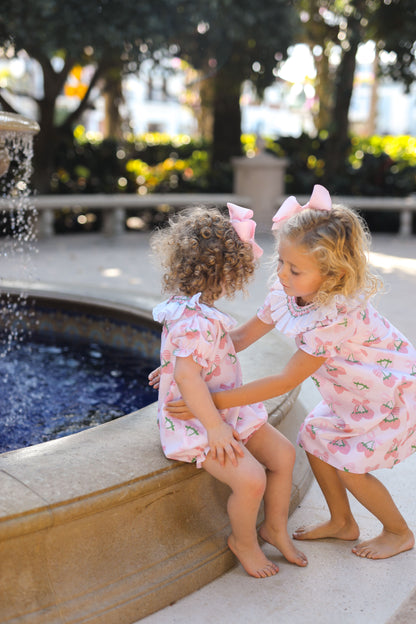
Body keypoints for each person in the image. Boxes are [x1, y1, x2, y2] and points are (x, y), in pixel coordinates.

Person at [161, 185, 416, 561]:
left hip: (385, 395)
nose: (281, 273)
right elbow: (242, 336)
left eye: (294, 269)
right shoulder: (287, 290)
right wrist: (185, 360)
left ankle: (398, 531)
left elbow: (283, 381)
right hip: (351, 393)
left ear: (332, 275)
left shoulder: (334, 316)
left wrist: (212, 403)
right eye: (280, 261)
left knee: (350, 464)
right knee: (313, 437)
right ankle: (342, 521)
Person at [149, 204, 308, 578]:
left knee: (283, 455)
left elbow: (210, 351)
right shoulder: (193, 320)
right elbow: (189, 378)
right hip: (199, 420)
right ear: (225, 273)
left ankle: (274, 527)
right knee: (251, 480)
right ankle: (245, 542)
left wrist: (173, 362)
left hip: (222, 410)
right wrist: (216, 429)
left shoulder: (195, 311)